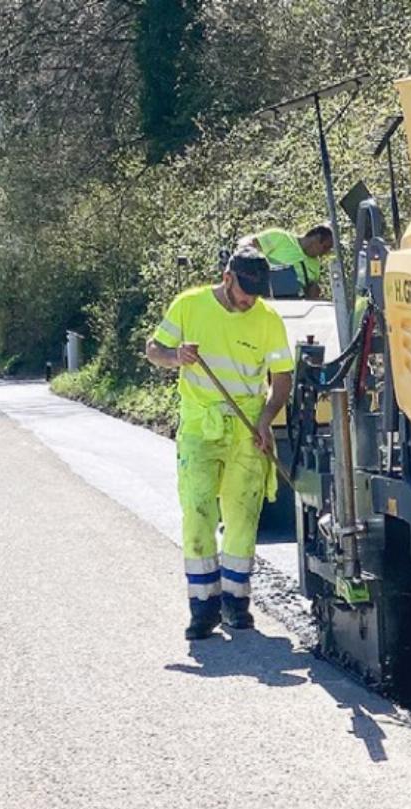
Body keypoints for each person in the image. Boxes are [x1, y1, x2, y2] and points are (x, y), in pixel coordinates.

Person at [144, 248, 296, 640]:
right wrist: (176, 357)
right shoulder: (189, 305)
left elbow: (282, 379)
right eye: (245, 291)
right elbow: (153, 351)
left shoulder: (268, 319)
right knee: (198, 515)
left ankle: (236, 603)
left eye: (256, 293)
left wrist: (265, 420)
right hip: (199, 428)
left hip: (247, 429)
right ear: (228, 278)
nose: (250, 301)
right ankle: (203, 607)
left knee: (243, 517)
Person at [240, 224, 334, 299]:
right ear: (316, 238)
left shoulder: (316, 265)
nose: (323, 254)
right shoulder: (281, 237)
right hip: (266, 296)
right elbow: (248, 244)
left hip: (294, 304)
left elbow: (311, 290)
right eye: (325, 248)